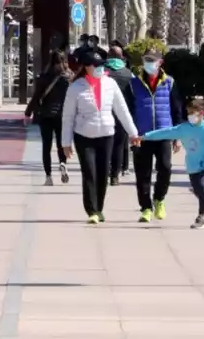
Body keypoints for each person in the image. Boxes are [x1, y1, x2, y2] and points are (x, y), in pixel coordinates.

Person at [61, 46, 139, 224]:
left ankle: (99, 207)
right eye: (96, 65)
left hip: (106, 134)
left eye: (101, 65)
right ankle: (92, 210)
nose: (100, 68)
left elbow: (122, 110)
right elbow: (67, 117)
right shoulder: (76, 87)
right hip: (84, 136)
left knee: (103, 173)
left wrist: (133, 133)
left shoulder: (110, 84)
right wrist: (66, 143)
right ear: (86, 67)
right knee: (89, 172)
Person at [139, 96, 204, 229]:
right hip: (192, 165)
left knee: (202, 187)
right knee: (198, 190)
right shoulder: (184, 128)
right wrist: (145, 136)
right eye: (189, 113)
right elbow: (166, 132)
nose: (190, 116)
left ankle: (201, 216)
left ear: (201, 113)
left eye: (193, 113)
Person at [126, 48, 185, 223]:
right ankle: (145, 208)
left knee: (165, 168)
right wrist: (131, 132)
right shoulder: (133, 84)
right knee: (142, 173)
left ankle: (159, 199)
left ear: (160, 63)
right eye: (147, 60)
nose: (149, 64)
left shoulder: (170, 83)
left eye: (153, 60)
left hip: (164, 133)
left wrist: (178, 135)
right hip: (142, 136)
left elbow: (177, 110)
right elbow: (128, 111)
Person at [25, 50, 73, 185]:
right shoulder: (69, 77)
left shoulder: (44, 77)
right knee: (61, 144)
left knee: (46, 146)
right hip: (63, 116)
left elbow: (36, 97)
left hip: (46, 115)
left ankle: (48, 177)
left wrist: (28, 113)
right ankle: (63, 163)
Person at [105, 45, 134, 184]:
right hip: (122, 114)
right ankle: (115, 176)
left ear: (108, 56)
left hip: (104, 113)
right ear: (122, 57)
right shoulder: (129, 74)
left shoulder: (102, 72)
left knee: (104, 144)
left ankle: (104, 172)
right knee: (119, 145)